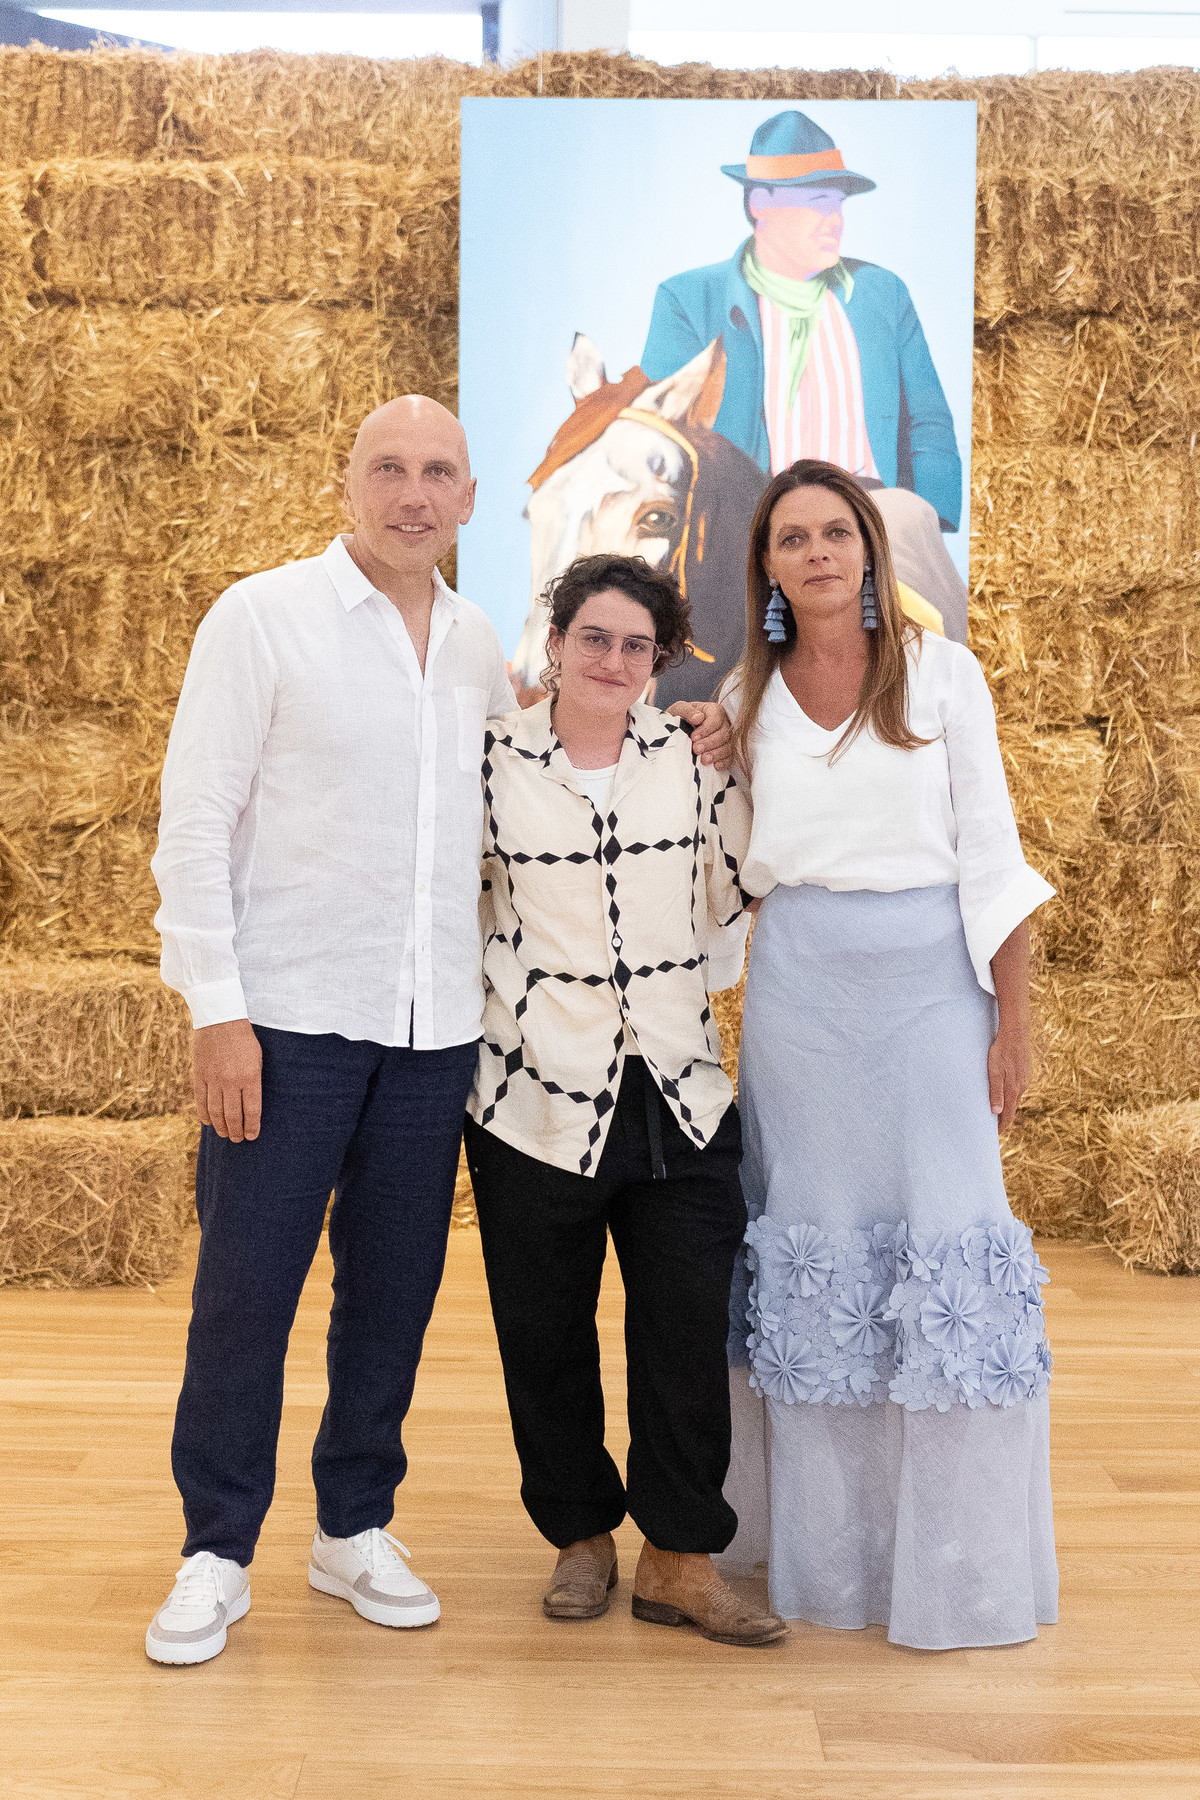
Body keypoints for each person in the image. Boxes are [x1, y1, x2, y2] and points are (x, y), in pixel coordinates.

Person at [145, 395, 735, 1666]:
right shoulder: (261, 620)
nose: (414, 493)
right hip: (291, 1021)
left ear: (472, 500)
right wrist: (217, 1013)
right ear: (347, 481)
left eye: (439, 474)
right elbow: (192, 824)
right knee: (247, 1295)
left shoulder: (479, 650)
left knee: (393, 1296)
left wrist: (696, 724)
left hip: (434, 1043)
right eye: (389, 469)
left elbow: (570, 765)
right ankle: (215, 1547)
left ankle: (354, 1523)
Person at [720, 460, 1059, 1651]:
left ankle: (959, 1573)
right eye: (792, 537)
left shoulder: (944, 679)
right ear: (764, 565)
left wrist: (1013, 1022)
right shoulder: (744, 697)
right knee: (819, 1259)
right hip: (802, 998)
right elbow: (734, 869)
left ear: (870, 548)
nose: (817, 552)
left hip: (928, 992)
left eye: (836, 532)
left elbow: (995, 862)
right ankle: (829, 1563)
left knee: (945, 1250)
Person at [462, 553, 786, 1649]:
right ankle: (579, 1538)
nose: (612, 660)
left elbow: (731, 899)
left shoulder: (692, 760)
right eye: (592, 638)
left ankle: (682, 1558)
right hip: (531, 1097)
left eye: (636, 645)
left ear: (661, 660)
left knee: (685, 1334)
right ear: (553, 644)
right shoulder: (489, 759)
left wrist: (736, 758)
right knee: (543, 1332)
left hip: (681, 1092)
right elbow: (460, 907)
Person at [641, 109, 963, 533]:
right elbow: (661, 435)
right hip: (749, 524)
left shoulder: (882, 294)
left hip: (873, 518)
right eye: (818, 204)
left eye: (839, 205)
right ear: (761, 205)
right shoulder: (689, 300)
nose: (836, 220)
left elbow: (928, 422)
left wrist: (925, 518)